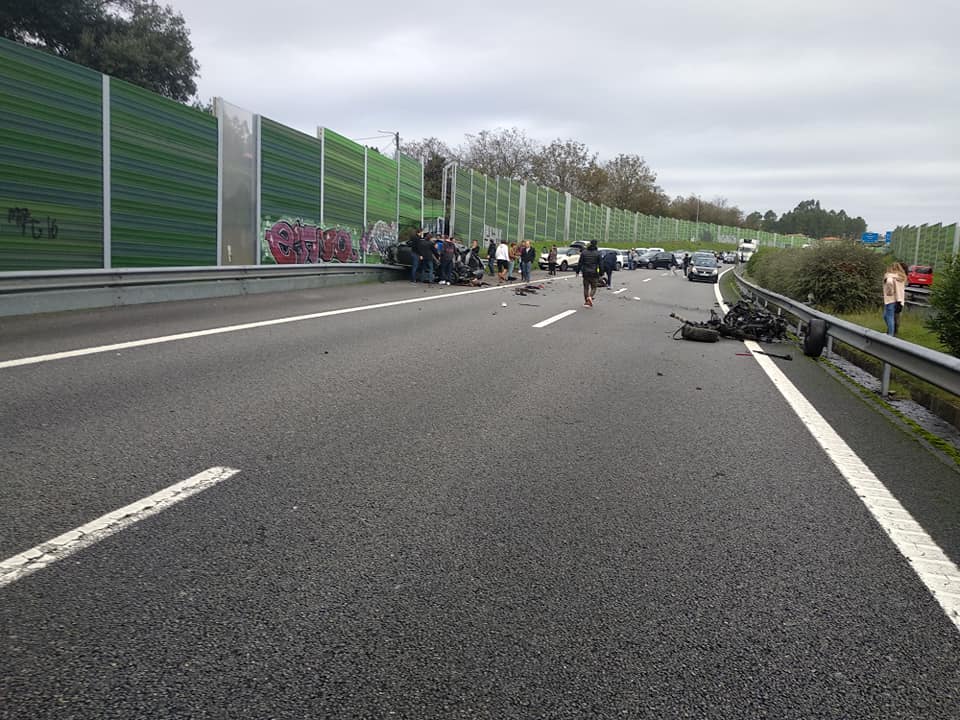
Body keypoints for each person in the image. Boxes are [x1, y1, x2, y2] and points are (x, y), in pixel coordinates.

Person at [882, 262, 907, 336]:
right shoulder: (901, 277)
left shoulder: (889, 276)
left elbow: (889, 283)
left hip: (890, 299)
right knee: (887, 316)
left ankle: (890, 334)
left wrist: (890, 292)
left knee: (889, 317)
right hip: (899, 299)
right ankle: (891, 332)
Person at [578, 240, 602, 307]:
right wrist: (601, 273)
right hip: (594, 273)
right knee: (594, 287)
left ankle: (586, 302)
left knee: (586, 288)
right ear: (596, 244)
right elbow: (601, 264)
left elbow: (580, 263)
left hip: (585, 272)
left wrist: (577, 271)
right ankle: (590, 297)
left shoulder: (584, 252)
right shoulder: (598, 253)